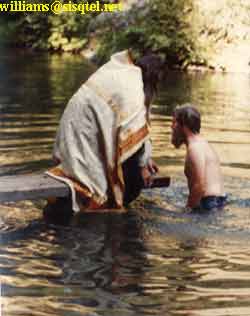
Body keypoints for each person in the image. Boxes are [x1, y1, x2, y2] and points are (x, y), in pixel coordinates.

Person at [45, 50, 163, 216]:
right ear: (153, 80)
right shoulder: (134, 89)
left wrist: (146, 157)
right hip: (85, 138)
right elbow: (134, 129)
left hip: (73, 139)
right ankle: (114, 220)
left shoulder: (120, 73)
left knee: (126, 170)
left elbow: (131, 127)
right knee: (133, 183)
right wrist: (142, 166)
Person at [171, 104, 227, 211]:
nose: (172, 127)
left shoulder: (194, 149)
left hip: (209, 204)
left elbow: (199, 187)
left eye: (174, 122)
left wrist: (186, 210)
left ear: (184, 126)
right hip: (219, 201)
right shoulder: (203, 144)